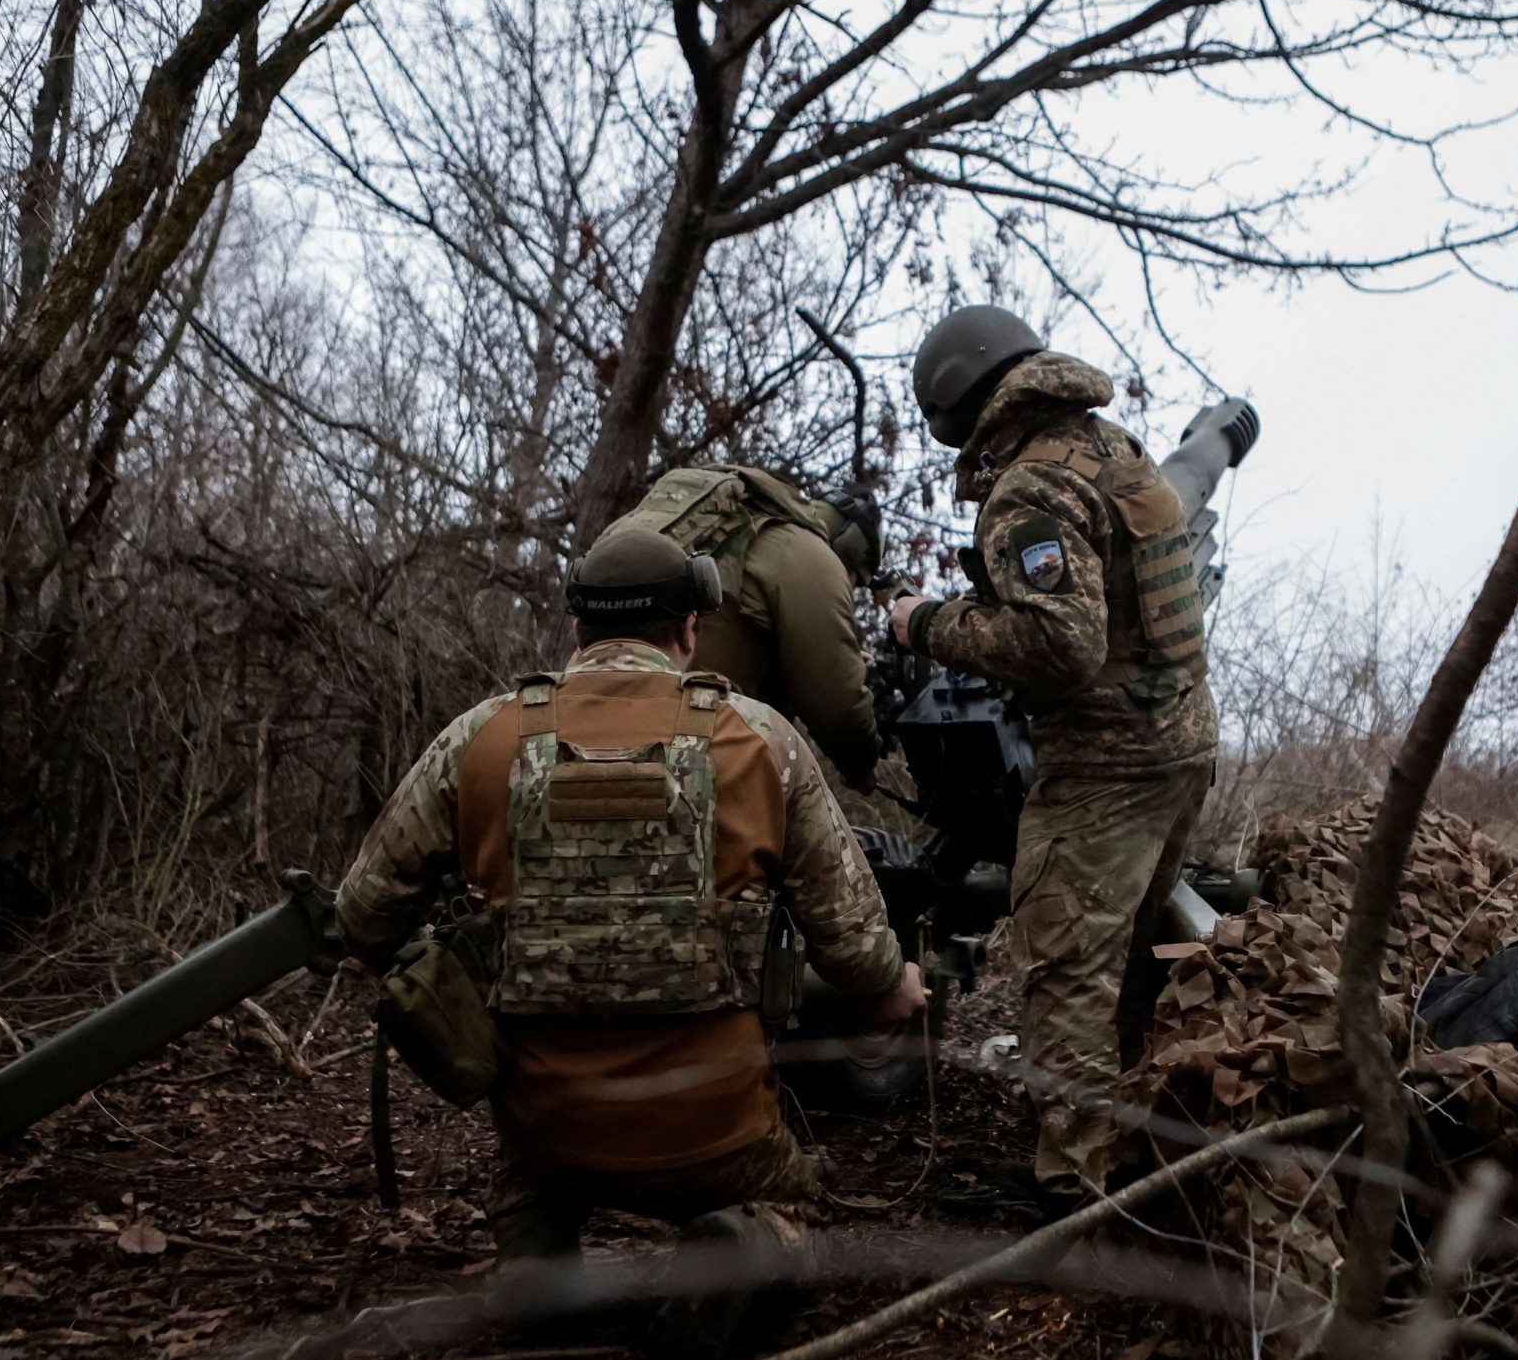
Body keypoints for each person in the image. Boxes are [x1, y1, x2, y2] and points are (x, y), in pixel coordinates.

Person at [337, 523, 925, 1290]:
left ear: (580, 629)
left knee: (531, 1175)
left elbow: (364, 913)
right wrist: (895, 989)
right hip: (717, 1133)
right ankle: (748, 1240)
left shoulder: (480, 738)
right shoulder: (760, 740)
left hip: (546, 1128)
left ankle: (535, 1239)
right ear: (690, 629)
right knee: (791, 1201)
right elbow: (854, 949)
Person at [888, 305, 1217, 1197]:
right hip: (1179, 744)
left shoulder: (1030, 488)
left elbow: (1061, 645)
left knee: (1066, 968)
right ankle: (1151, 1139)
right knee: (1135, 954)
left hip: (1104, 765)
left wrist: (927, 622)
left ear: (956, 408)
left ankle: (1079, 1187)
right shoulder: (1111, 449)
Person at [594, 464, 886, 791]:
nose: (851, 587)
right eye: (857, 579)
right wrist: (863, 767)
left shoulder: (728, 526)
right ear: (851, 546)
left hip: (588, 729)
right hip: (692, 757)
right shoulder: (808, 555)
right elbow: (838, 708)